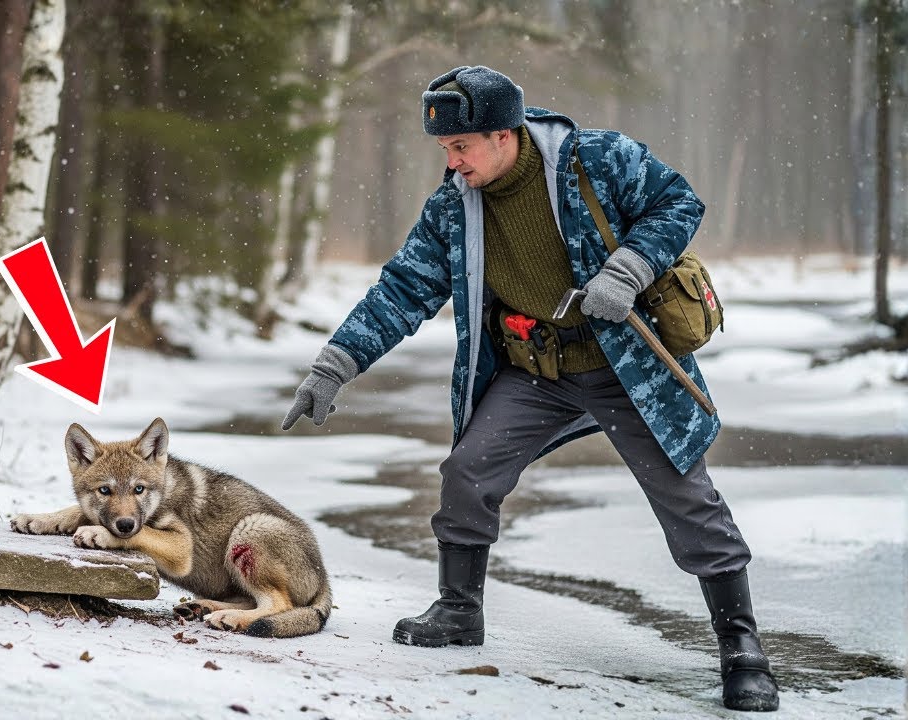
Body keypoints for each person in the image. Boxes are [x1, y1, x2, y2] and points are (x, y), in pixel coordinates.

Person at [280, 65, 779, 713]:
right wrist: (334, 366)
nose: (452, 163)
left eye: (461, 147)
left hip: (622, 364)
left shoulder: (595, 161)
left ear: (505, 135)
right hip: (533, 369)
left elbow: (677, 201)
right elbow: (403, 289)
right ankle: (460, 611)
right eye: (444, 150)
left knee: (685, 496)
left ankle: (742, 650)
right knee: (468, 471)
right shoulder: (452, 209)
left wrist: (627, 269)